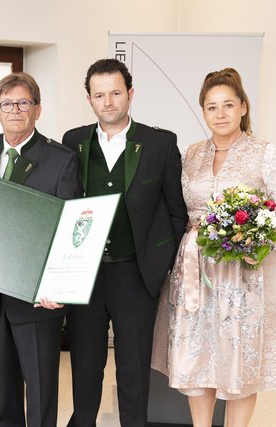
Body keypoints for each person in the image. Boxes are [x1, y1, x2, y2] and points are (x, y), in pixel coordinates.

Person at [151, 68, 276, 427]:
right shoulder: (191, 153)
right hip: (194, 268)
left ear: (242, 107)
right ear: (203, 111)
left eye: (227, 105)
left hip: (244, 272)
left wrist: (257, 242)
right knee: (197, 356)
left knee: (239, 359)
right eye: (211, 106)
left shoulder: (263, 153)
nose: (220, 113)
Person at [62, 59, 188, 427]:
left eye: (116, 93)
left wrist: (161, 261)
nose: (108, 102)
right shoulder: (74, 141)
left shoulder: (160, 143)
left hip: (136, 272)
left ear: (130, 94)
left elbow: (176, 211)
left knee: (133, 366)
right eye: (99, 95)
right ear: (89, 99)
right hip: (84, 272)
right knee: (85, 363)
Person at [0, 72, 81, 426]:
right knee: (5, 391)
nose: (15, 110)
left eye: (23, 103)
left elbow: (69, 229)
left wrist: (57, 286)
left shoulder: (61, 159)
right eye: (7, 104)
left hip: (37, 296)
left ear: (37, 110)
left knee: (41, 388)